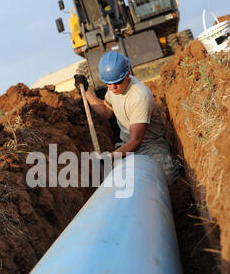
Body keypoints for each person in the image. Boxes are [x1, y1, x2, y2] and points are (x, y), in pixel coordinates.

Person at [74, 51, 181, 186]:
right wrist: (86, 89)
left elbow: (136, 142)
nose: (113, 87)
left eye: (117, 82)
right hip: (125, 146)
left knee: (166, 177)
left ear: (128, 74)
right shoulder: (114, 89)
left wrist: (109, 158)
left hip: (150, 145)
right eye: (108, 83)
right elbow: (106, 112)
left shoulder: (139, 96)